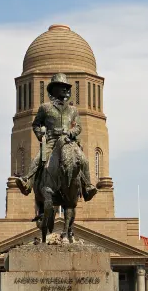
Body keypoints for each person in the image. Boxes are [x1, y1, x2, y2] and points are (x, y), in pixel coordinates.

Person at [15, 73, 97, 202]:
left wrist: (71, 132)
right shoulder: (45, 108)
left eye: (66, 87)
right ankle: (27, 182)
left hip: (68, 141)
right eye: (61, 86)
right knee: (38, 160)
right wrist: (40, 135)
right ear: (53, 89)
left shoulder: (73, 110)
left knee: (83, 160)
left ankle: (87, 187)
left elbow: (79, 127)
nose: (65, 89)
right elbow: (36, 124)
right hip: (51, 140)